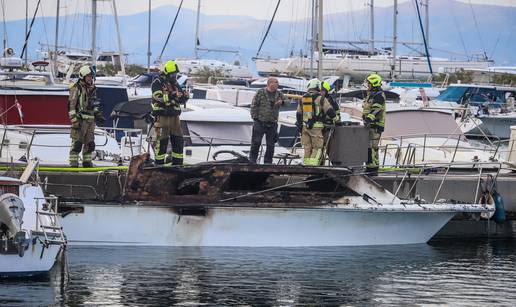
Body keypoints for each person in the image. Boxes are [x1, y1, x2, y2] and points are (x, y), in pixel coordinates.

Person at [151, 60, 188, 165]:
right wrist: (172, 95)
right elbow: (158, 97)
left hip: (175, 117)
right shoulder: (158, 81)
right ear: (167, 73)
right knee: (161, 142)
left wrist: (184, 97)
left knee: (178, 141)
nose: (174, 76)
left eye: (175, 74)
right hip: (162, 117)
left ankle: (178, 164)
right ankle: (159, 165)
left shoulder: (175, 83)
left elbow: (180, 99)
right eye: (172, 74)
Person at [68, 65, 104, 168]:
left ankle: (87, 162)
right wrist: (74, 121)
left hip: (90, 121)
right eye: (88, 76)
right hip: (80, 120)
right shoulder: (76, 88)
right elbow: (71, 106)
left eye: (91, 76)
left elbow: (95, 104)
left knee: (90, 144)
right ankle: (73, 164)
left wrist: (98, 114)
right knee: (77, 143)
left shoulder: (92, 89)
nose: (90, 78)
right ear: (82, 76)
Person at [296, 78, 336, 166]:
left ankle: (306, 165)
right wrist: (336, 119)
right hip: (316, 128)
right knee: (317, 148)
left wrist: (300, 126)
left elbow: (298, 114)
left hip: (305, 127)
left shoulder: (303, 98)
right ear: (318, 87)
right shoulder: (321, 99)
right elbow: (330, 111)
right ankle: (313, 166)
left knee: (307, 147)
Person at [249, 77, 286, 164]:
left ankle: (268, 162)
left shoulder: (279, 94)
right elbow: (254, 105)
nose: (278, 84)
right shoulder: (260, 92)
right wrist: (255, 118)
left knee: (271, 145)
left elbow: (287, 102)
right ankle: (252, 160)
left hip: (272, 123)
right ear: (270, 83)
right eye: (276, 82)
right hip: (260, 122)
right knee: (256, 142)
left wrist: (282, 102)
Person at [362, 73, 386, 176]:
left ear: (374, 84)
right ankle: (372, 167)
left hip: (375, 126)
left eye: (369, 84)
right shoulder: (372, 95)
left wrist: (368, 119)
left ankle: (372, 169)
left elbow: (376, 109)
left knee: (371, 147)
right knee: (370, 147)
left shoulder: (379, 95)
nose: (368, 86)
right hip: (370, 126)